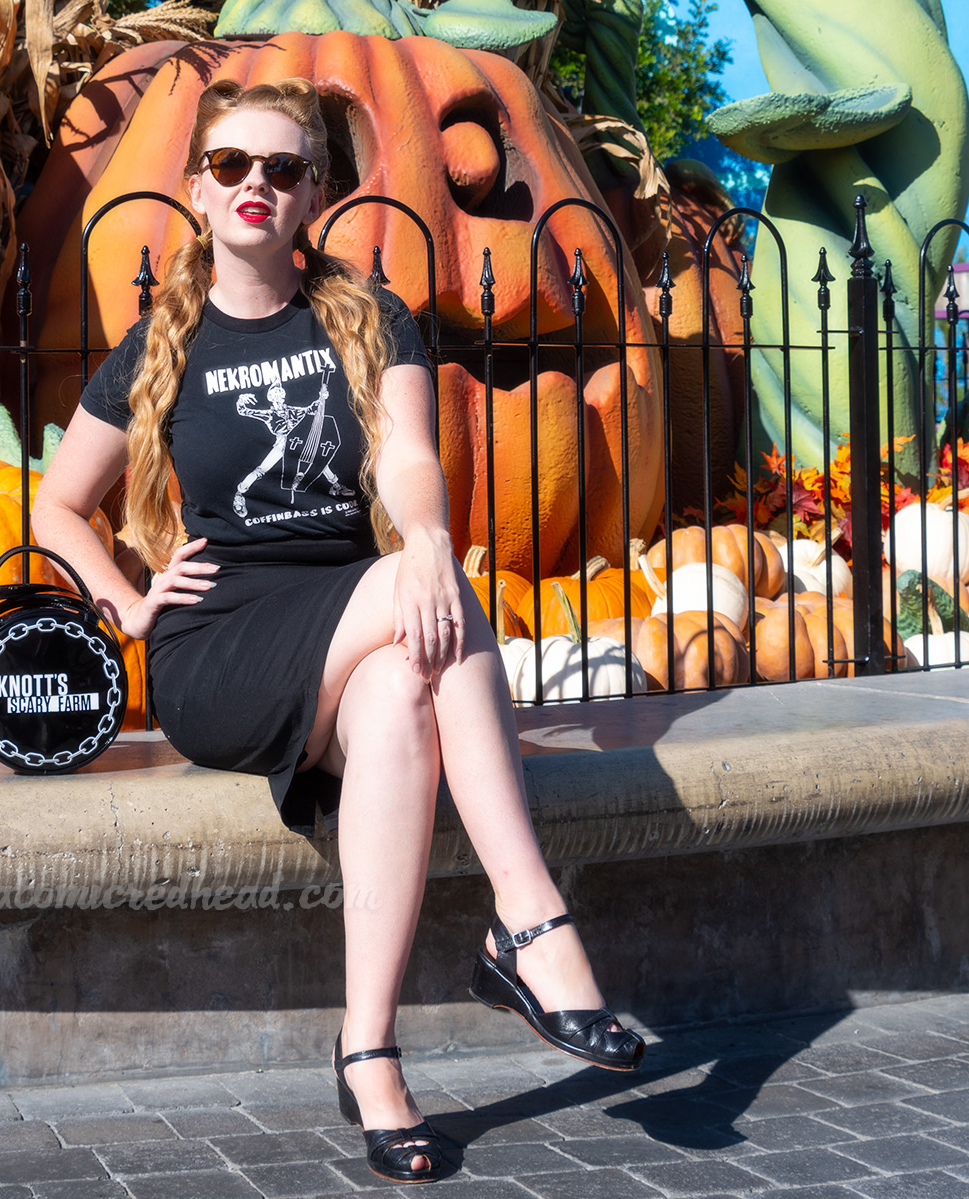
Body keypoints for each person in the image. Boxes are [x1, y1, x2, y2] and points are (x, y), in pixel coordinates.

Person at [33, 76, 645, 1186]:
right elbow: (53, 504)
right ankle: (529, 918)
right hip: (219, 642)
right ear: (197, 190)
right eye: (231, 167)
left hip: (355, 622)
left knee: (404, 690)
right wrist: (122, 603)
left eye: (281, 167)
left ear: (314, 189)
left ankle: (368, 1053)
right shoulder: (156, 348)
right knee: (436, 595)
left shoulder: (366, 316)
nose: (255, 185)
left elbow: (411, 456)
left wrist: (419, 532)